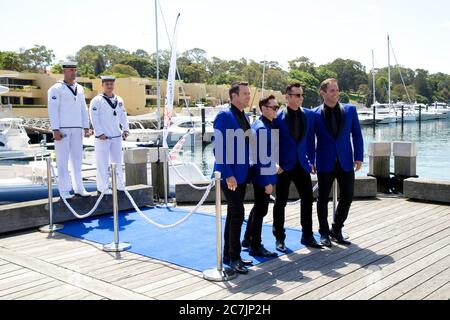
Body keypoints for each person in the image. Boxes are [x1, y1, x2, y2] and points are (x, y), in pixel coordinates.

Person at [313, 78, 364, 247]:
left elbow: (357, 135)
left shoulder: (350, 110)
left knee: (348, 196)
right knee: (322, 200)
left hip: (345, 161)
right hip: (324, 161)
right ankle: (324, 233)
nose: (336, 93)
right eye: (332, 90)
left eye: (337, 89)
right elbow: (308, 139)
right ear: (323, 93)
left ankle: (337, 229)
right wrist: (311, 159)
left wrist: (359, 157)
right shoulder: (314, 114)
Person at [272, 83, 322, 251]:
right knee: (280, 202)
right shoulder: (277, 117)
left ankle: (307, 235)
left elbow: (310, 140)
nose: (301, 98)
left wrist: (312, 161)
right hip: (284, 166)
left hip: (302, 164)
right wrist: (275, 162)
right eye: (297, 95)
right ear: (287, 97)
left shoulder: (308, 115)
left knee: (308, 200)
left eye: (302, 95)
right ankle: (279, 238)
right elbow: (273, 142)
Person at [212, 82, 252, 274]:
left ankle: (230, 254)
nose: (248, 96)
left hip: (242, 174)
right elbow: (218, 148)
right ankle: (234, 257)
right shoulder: (224, 116)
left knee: (233, 214)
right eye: (244, 93)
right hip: (228, 174)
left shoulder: (244, 116)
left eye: (248, 93)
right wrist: (228, 174)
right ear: (234, 96)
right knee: (237, 214)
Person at [47, 61, 91, 200]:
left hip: (77, 128)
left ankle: (79, 187)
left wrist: (86, 127)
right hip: (63, 129)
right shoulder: (55, 88)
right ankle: (65, 189)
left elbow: (84, 108)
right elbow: (53, 110)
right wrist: (55, 129)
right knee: (62, 160)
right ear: (64, 71)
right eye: (71, 70)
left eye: (75, 70)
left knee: (77, 159)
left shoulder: (80, 88)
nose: (73, 72)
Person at [241, 96, 279, 258]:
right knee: (261, 210)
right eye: (274, 107)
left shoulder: (261, 125)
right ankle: (255, 245)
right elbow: (261, 157)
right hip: (263, 176)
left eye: (277, 107)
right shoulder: (263, 128)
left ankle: (248, 239)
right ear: (264, 108)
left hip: (262, 173)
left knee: (258, 208)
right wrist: (267, 183)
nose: (276, 110)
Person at [89, 76, 129, 194]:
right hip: (103, 137)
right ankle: (103, 187)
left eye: (111, 84)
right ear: (102, 85)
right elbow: (93, 117)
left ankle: (120, 184)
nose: (109, 86)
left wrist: (126, 129)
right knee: (102, 163)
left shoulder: (119, 100)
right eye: (107, 84)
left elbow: (123, 116)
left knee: (117, 162)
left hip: (116, 136)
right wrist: (99, 132)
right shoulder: (96, 100)